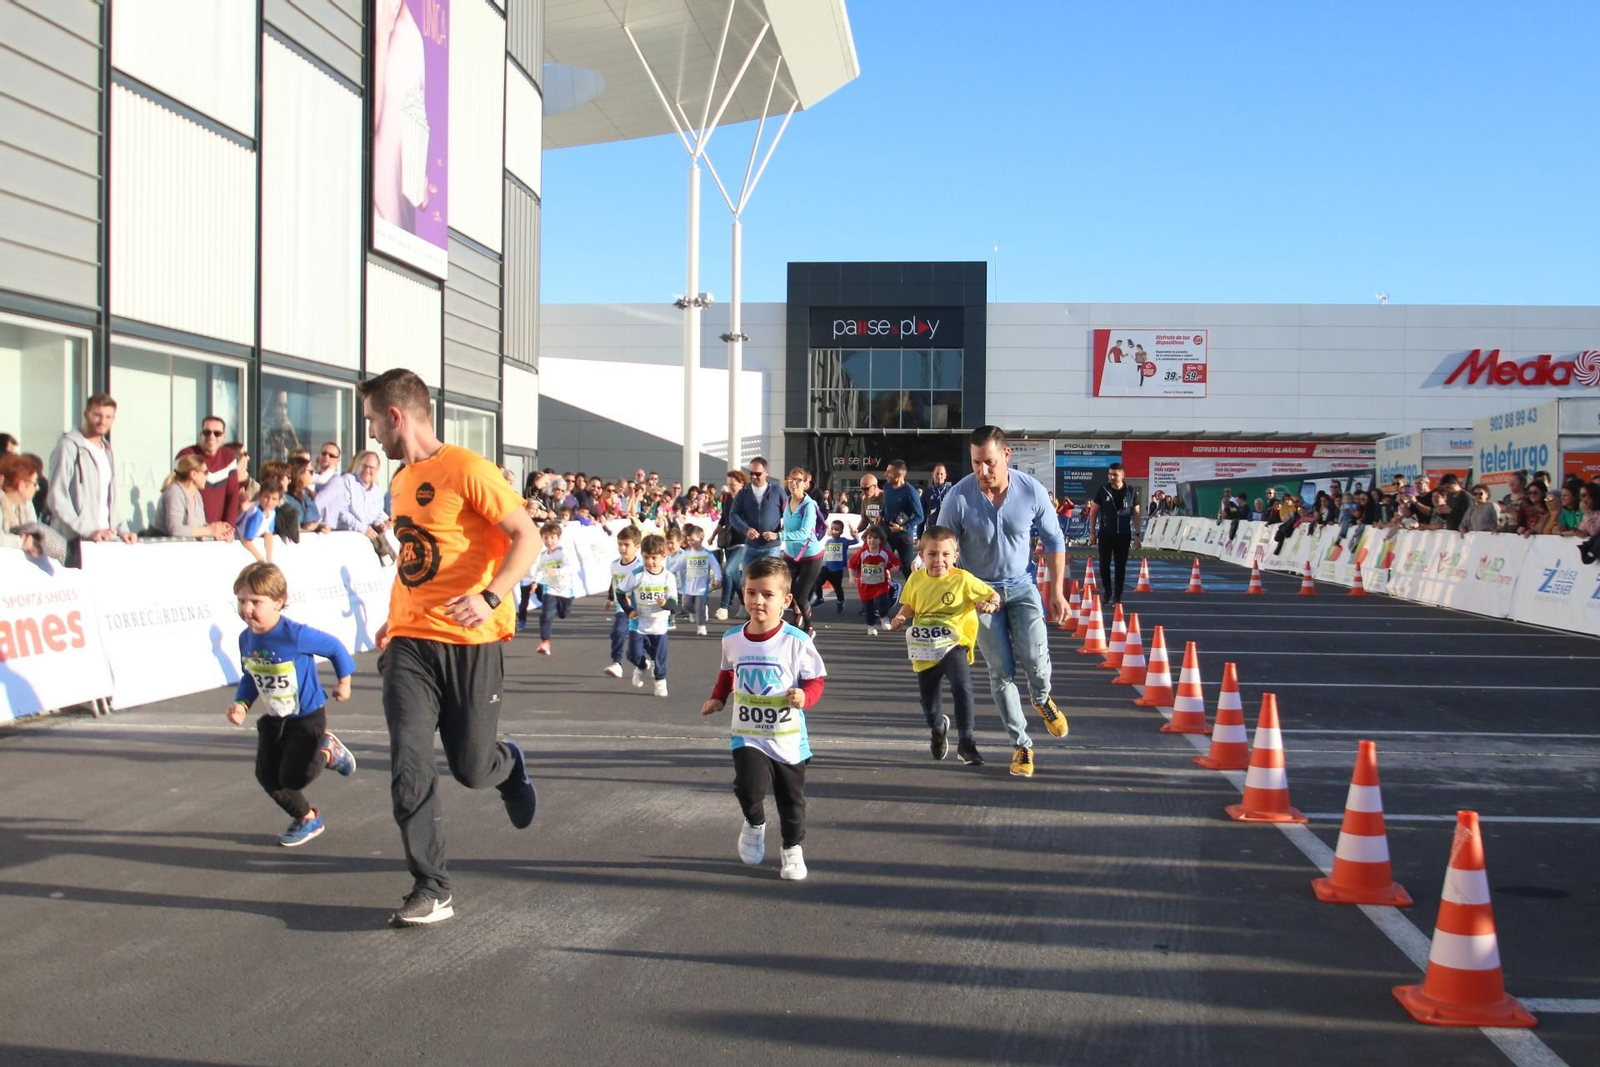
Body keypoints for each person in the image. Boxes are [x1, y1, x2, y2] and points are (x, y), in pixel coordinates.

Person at [364, 368, 541, 929]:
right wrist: (394, 620)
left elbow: (528, 536)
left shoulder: (468, 469)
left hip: (470, 641)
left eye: (371, 420)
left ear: (396, 416)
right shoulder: (398, 480)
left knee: (470, 767)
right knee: (409, 760)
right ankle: (430, 884)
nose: (369, 434)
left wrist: (491, 595)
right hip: (411, 643)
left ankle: (507, 766)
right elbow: (417, 559)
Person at [938, 426, 1069, 779]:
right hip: (980, 595)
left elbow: (1055, 540)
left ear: (1007, 456)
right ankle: (1022, 744)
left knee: (1035, 661)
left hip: (1022, 588)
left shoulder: (1030, 491)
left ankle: (1042, 700)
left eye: (990, 463)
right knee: (1001, 672)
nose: (983, 471)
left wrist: (1055, 592)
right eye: (976, 463)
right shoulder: (958, 497)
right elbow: (941, 549)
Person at [700, 554, 827, 881]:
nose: (758, 600)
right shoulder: (732, 638)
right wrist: (718, 697)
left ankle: (792, 848)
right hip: (748, 733)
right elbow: (728, 673)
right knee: (748, 787)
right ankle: (754, 823)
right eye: (751, 592)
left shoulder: (796, 641)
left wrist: (804, 696)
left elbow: (815, 680)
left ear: (785, 600)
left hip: (787, 739)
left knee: (791, 800)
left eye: (767, 595)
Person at [225, 562, 358, 847]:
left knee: (294, 777)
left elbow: (334, 647)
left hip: (307, 717)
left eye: (255, 602)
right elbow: (251, 674)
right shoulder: (245, 639)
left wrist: (344, 682)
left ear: (279, 602)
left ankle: (328, 750)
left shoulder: (294, 635)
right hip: (275, 718)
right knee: (267, 776)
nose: (247, 609)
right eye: (241, 601)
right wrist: (241, 704)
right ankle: (307, 818)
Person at [884, 526, 1001, 765]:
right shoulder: (916, 579)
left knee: (962, 686)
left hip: (954, 644)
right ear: (922, 555)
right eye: (933, 554)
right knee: (930, 704)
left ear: (955, 556)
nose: (939, 560)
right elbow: (910, 605)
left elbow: (992, 595)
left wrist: (991, 605)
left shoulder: (963, 579)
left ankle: (967, 743)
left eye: (946, 555)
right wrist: (900, 617)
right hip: (924, 648)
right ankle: (938, 730)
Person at [47, 393, 137, 562]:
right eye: (97, 415)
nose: (103, 421)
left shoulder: (106, 450)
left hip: (104, 542)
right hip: (73, 544)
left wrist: (123, 529)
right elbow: (56, 497)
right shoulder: (68, 446)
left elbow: (109, 501)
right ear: (86, 414)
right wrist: (88, 530)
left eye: (108, 417)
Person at [722, 458, 783, 620]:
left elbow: (790, 514)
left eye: (758, 474)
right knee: (748, 581)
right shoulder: (744, 493)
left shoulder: (777, 491)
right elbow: (732, 515)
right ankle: (753, 615)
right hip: (751, 545)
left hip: (771, 545)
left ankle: (773, 613)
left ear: (766, 473)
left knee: (770, 580)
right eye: (751, 474)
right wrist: (745, 529)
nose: (754, 477)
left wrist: (778, 534)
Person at [619, 532, 678, 697]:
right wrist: (629, 610)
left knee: (659, 657)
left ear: (663, 556)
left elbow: (674, 605)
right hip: (639, 623)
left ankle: (660, 681)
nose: (649, 562)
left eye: (653, 558)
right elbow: (620, 591)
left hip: (659, 625)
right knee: (633, 654)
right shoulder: (637, 574)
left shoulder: (668, 577)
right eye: (646, 558)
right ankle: (642, 665)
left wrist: (665, 604)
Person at [317, 450, 393, 561]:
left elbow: (378, 514)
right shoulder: (347, 481)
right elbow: (341, 511)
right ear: (359, 465)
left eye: (371, 468)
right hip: (344, 540)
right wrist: (362, 528)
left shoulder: (377, 492)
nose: (367, 470)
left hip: (366, 543)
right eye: (364, 466)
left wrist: (379, 524)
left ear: (377, 470)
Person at [780, 466, 826, 635]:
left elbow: (804, 534)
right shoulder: (786, 502)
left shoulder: (809, 506)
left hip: (810, 556)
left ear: (806, 483)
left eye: (798, 480)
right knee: (786, 589)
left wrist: (779, 537)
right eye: (791, 479)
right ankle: (798, 613)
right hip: (791, 554)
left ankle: (809, 627)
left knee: (800, 595)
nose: (793, 483)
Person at [1087, 462, 1141, 605]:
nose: (1112, 477)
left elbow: (1136, 514)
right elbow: (1094, 513)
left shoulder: (1131, 491)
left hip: (1123, 534)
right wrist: (1092, 533)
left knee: (1120, 565)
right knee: (1104, 564)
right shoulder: (1102, 490)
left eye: (1115, 474)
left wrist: (1137, 534)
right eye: (1110, 474)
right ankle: (1107, 591)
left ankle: (1118, 595)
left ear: (1123, 475)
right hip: (1105, 533)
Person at [175, 416, 243, 526]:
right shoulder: (186, 455)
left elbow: (232, 494)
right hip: (190, 529)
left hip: (218, 532)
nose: (212, 436)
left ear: (224, 437)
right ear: (200, 434)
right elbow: (179, 492)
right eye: (207, 432)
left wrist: (228, 526)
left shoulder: (228, 456)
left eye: (217, 433)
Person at [0, 452, 64, 561]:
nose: (38, 487)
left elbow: (34, 529)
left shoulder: (26, 503)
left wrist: (32, 539)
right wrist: (22, 542)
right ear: (21, 486)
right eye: (34, 483)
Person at [155, 455, 236, 540]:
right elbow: (175, 529)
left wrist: (220, 532)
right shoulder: (174, 492)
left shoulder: (197, 494)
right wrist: (209, 530)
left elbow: (200, 527)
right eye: (206, 472)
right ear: (194, 474)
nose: (207, 477)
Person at [526, 520, 575, 654]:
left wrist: (557, 572)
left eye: (552, 537)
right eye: (546, 538)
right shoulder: (543, 555)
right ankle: (545, 642)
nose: (549, 541)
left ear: (558, 538)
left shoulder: (563, 552)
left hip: (565, 590)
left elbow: (571, 567)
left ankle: (562, 611)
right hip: (550, 588)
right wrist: (535, 582)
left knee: (564, 613)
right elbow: (540, 570)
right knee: (546, 614)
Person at [603, 525, 645, 678]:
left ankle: (645, 662)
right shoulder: (615, 565)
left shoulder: (641, 566)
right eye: (620, 544)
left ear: (637, 547)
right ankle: (617, 663)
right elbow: (615, 582)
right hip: (623, 607)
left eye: (626, 545)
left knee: (642, 644)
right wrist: (610, 598)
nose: (622, 548)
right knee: (618, 632)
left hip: (642, 609)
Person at [847, 527, 900, 636]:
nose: (872, 541)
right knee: (868, 607)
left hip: (881, 584)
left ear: (881, 540)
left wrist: (895, 568)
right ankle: (871, 626)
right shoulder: (862, 552)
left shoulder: (885, 553)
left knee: (882, 602)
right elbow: (851, 564)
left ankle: (884, 617)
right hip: (865, 586)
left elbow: (896, 562)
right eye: (869, 537)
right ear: (866, 539)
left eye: (875, 538)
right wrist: (852, 577)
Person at [880, 460, 925, 578]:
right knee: (881, 563)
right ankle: (883, 593)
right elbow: (886, 504)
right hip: (887, 534)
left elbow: (920, 516)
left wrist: (903, 527)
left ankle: (912, 594)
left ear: (898, 475)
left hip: (904, 537)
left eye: (889, 472)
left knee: (907, 569)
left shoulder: (910, 492)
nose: (885, 474)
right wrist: (881, 514)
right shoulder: (887, 487)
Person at [713, 470, 749, 620]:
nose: (731, 487)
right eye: (729, 484)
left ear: (741, 483)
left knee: (727, 571)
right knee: (734, 578)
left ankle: (724, 607)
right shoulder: (727, 498)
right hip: (729, 541)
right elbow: (723, 518)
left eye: (733, 485)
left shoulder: (747, 498)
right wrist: (713, 535)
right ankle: (745, 604)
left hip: (743, 541)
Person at [677, 525, 723, 636]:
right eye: (688, 540)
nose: (690, 542)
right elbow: (678, 565)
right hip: (688, 586)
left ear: (701, 539)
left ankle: (701, 626)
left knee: (699, 605)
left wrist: (718, 578)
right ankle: (699, 612)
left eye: (693, 539)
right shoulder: (687, 554)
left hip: (702, 587)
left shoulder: (707, 554)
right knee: (686, 605)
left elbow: (715, 566)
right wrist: (667, 573)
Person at [811, 520, 857, 614]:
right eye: (832, 529)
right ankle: (819, 598)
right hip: (826, 567)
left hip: (837, 570)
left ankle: (840, 601)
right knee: (817, 582)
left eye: (837, 530)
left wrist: (854, 534)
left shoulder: (844, 541)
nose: (834, 531)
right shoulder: (828, 541)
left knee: (837, 587)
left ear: (841, 532)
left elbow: (856, 541)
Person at [237, 481, 284, 564]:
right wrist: (260, 558)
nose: (269, 502)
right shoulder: (256, 512)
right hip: (236, 535)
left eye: (274, 499)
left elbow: (268, 534)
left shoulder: (272, 512)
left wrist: (269, 559)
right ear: (259, 496)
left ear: (278, 501)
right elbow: (246, 541)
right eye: (266, 497)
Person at [282, 457, 329, 535]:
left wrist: (319, 527)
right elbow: (296, 525)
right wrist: (310, 527)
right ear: (300, 473)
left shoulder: (309, 495)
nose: (313, 474)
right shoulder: (287, 497)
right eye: (311, 472)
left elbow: (312, 521)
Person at [921, 463, 952, 529]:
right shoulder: (927, 493)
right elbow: (922, 515)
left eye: (941, 474)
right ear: (933, 475)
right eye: (937, 473)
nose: (939, 476)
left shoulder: (951, 491)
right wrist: (919, 536)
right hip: (931, 529)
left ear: (945, 476)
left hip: (947, 530)